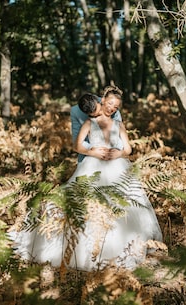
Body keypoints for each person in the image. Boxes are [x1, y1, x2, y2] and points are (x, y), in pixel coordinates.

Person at [9, 86, 163, 271]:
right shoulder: (89, 123)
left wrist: (119, 153)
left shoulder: (118, 123)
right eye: (111, 104)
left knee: (125, 202)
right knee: (86, 202)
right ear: (102, 100)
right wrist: (93, 151)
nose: (113, 108)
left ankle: (126, 246)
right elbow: (77, 146)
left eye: (116, 106)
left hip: (118, 165)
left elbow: (128, 149)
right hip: (93, 165)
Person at [71, 91, 123, 163]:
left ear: (100, 102)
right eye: (96, 115)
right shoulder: (76, 112)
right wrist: (93, 151)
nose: (101, 113)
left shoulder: (112, 104)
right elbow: (76, 142)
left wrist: (116, 150)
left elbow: (118, 133)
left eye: (100, 110)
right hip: (89, 154)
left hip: (113, 154)